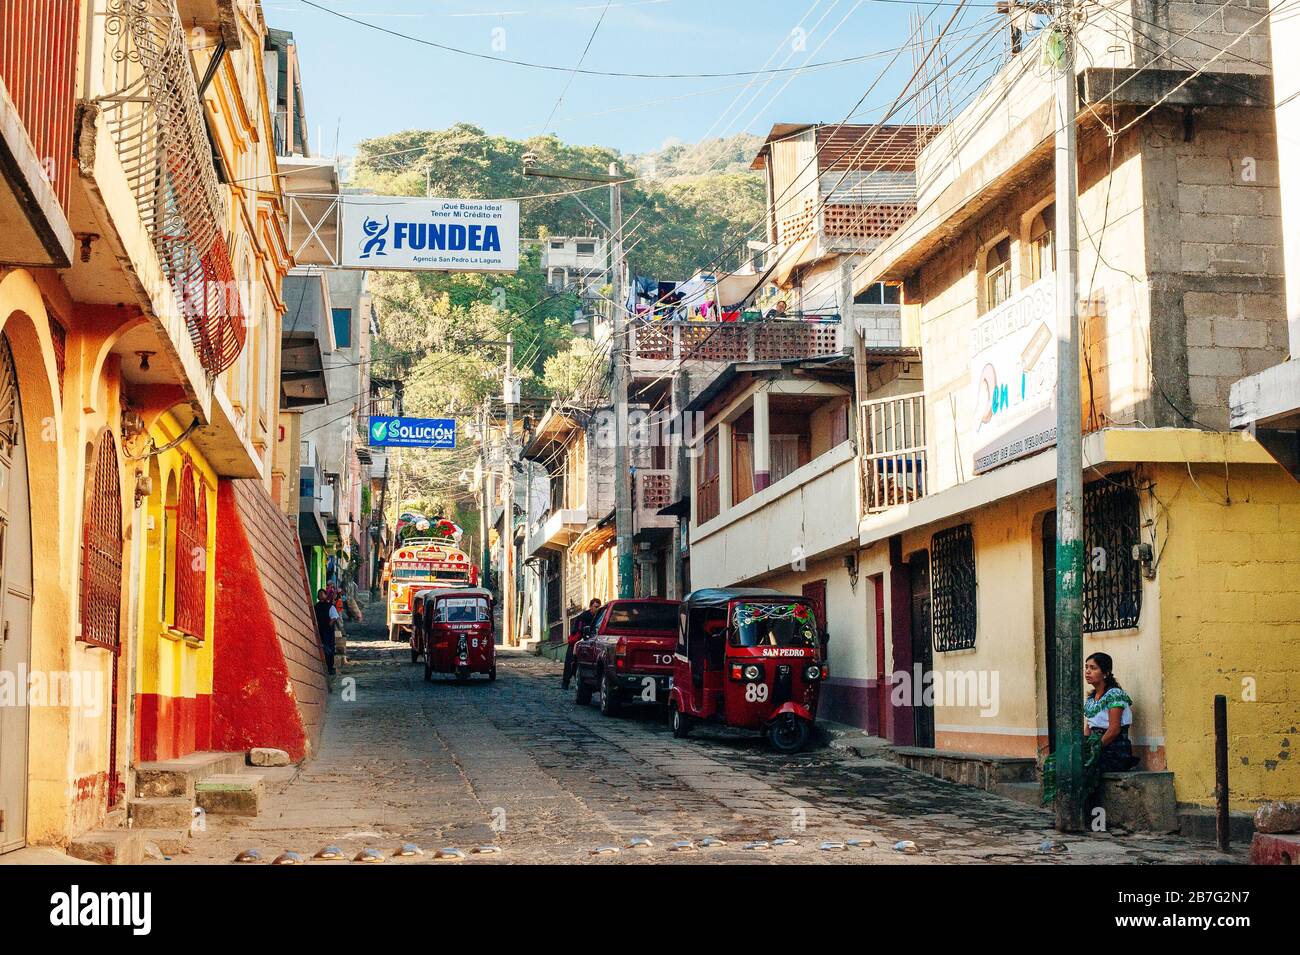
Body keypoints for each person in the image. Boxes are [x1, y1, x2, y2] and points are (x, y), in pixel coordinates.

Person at [1084, 652, 1140, 774]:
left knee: (1080, 768)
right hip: (1096, 746)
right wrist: (1085, 748)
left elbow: (1114, 730)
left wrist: (1094, 750)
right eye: (1086, 667)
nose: (1087, 671)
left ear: (1106, 673)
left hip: (1114, 749)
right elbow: (1088, 728)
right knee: (1057, 763)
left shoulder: (1114, 695)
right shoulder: (1092, 699)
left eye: (1093, 668)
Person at [562, 598, 602, 690]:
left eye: (598, 607)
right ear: (591, 606)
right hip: (578, 640)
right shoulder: (584, 616)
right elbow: (579, 630)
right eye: (595, 607)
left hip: (591, 642)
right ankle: (565, 682)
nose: (597, 609)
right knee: (570, 662)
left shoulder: (599, 617)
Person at [314, 588, 339, 675]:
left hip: (328, 632)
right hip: (319, 630)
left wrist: (329, 625)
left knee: (329, 649)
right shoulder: (316, 606)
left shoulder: (330, 606)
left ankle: (330, 668)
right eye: (319, 594)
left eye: (322, 594)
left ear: (325, 595)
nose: (320, 595)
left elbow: (334, 617)